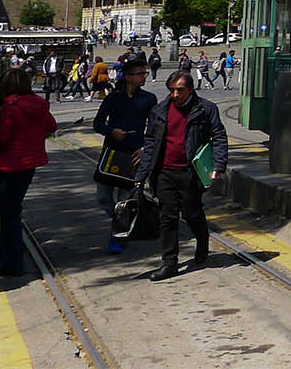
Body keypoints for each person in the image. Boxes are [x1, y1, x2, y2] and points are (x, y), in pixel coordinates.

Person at [135, 71, 228, 281]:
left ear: (190, 89)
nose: (175, 95)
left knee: (191, 213)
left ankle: (202, 238)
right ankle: (169, 263)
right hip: (164, 172)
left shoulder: (205, 109)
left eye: (180, 90)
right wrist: (142, 173)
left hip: (190, 171)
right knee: (167, 218)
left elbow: (219, 136)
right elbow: (150, 143)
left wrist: (218, 165)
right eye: (172, 90)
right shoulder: (159, 110)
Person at [0, 68, 57, 277]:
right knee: (12, 211)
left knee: (9, 215)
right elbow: (51, 125)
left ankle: (13, 263)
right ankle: (11, 258)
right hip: (28, 165)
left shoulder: (10, 107)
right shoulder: (38, 105)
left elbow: (2, 137)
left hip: (9, 165)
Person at [92, 58, 157, 253]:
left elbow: (155, 128)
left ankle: (117, 236)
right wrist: (111, 131)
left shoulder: (149, 99)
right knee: (103, 197)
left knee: (124, 200)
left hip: (134, 154)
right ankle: (121, 224)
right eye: (140, 74)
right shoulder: (113, 98)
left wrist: (146, 148)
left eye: (145, 73)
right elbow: (98, 123)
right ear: (129, 77)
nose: (144, 76)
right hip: (111, 152)